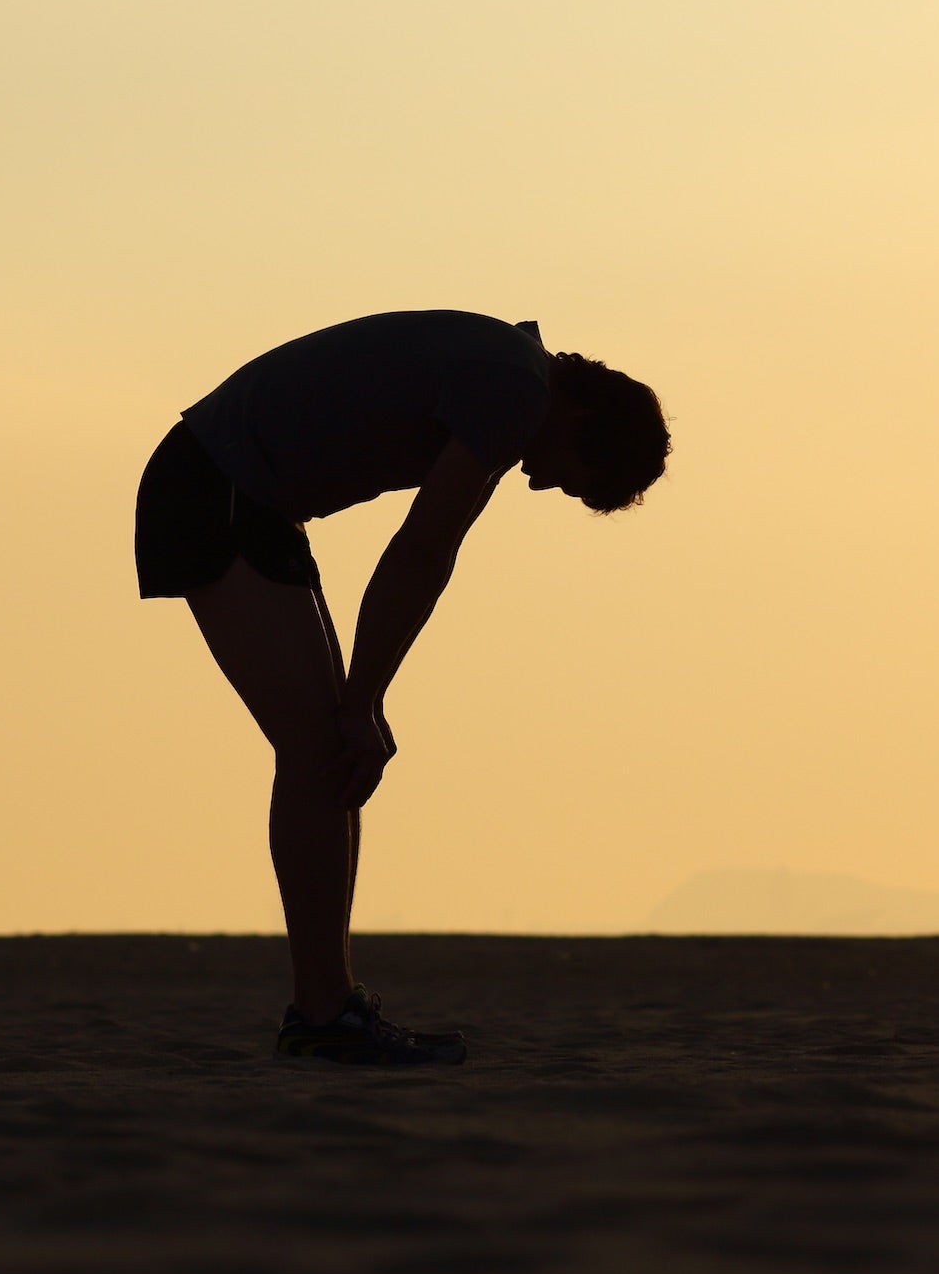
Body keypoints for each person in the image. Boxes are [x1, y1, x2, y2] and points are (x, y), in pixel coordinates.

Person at [133, 310, 670, 1064]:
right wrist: (363, 702)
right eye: (573, 480)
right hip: (211, 487)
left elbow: (431, 557)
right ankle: (321, 1017)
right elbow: (420, 551)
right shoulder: (515, 390)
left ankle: (330, 1006)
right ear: (584, 418)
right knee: (320, 749)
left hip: (242, 498)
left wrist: (365, 700)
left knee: (330, 756)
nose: (544, 484)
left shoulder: (513, 378)